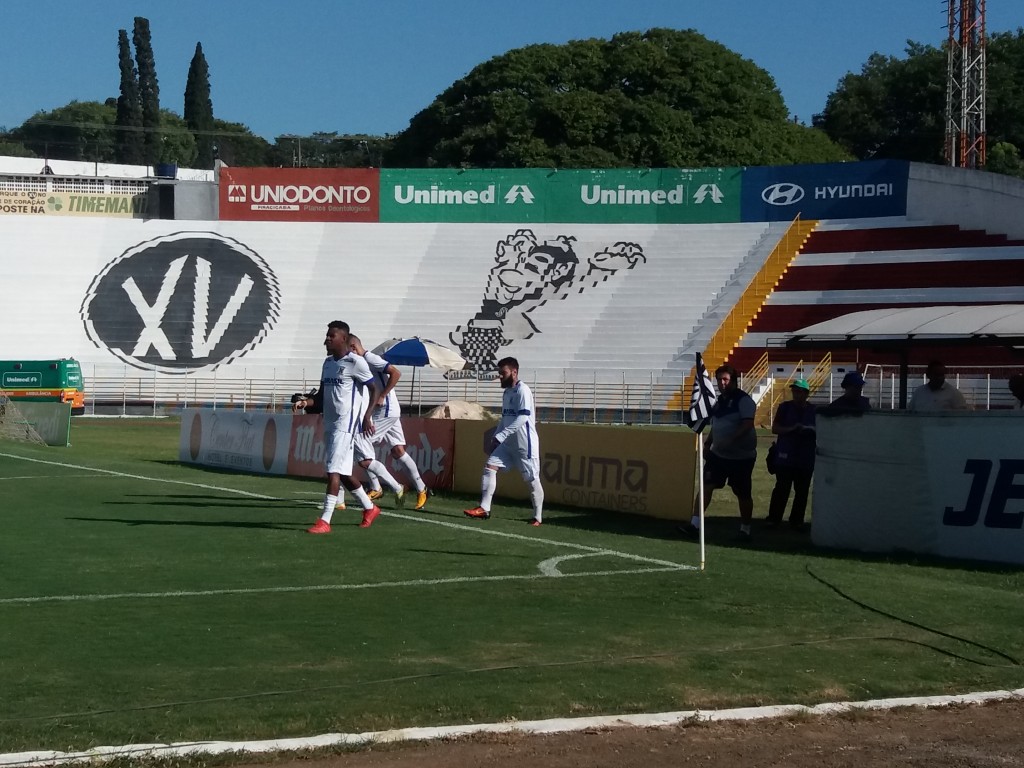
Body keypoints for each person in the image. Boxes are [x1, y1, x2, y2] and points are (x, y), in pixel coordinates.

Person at [305, 320, 384, 534]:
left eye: (332, 336)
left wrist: (367, 416)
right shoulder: (327, 363)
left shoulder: (355, 362)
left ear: (343, 339)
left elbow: (373, 389)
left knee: (333, 471)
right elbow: (320, 398)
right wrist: (305, 402)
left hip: (345, 425)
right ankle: (370, 508)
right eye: (327, 335)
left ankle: (325, 520)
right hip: (330, 423)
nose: (327, 339)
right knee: (344, 472)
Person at [347, 334, 430, 511]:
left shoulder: (370, 359)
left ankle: (377, 487)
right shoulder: (361, 362)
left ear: (353, 347)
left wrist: (383, 395)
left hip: (386, 409)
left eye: (348, 350)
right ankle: (422, 489)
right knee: (398, 451)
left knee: (359, 442)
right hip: (390, 410)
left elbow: (395, 373)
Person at [463, 356, 544, 526]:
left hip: (525, 445)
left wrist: (501, 435)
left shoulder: (523, 390)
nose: (500, 376)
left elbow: (523, 417)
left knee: (531, 480)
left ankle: (537, 517)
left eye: (503, 373)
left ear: (514, 372)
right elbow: (505, 418)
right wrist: (497, 435)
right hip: (508, 444)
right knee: (489, 467)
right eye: (499, 373)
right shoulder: (507, 392)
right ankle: (484, 508)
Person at [680, 364, 757, 542]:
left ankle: (745, 529)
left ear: (734, 381)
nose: (722, 383)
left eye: (726, 379)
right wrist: (708, 443)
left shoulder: (744, 400)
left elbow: (747, 424)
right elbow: (716, 426)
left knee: (743, 493)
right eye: (719, 380)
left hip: (741, 458)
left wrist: (732, 439)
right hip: (719, 455)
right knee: (706, 486)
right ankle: (695, 525)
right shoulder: (719, 402)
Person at [765, 379, 817, 530]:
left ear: (806, 394)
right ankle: (774, 518)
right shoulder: (785, 407)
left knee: (802, 491)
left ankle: (796, 520)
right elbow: (775, 428)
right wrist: (792, 429)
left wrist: (810, 430)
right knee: (782, 488)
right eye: (794, 391)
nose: (796, 394)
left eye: (799, 392)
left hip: (805, 457)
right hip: (786, 455)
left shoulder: (814, 410)